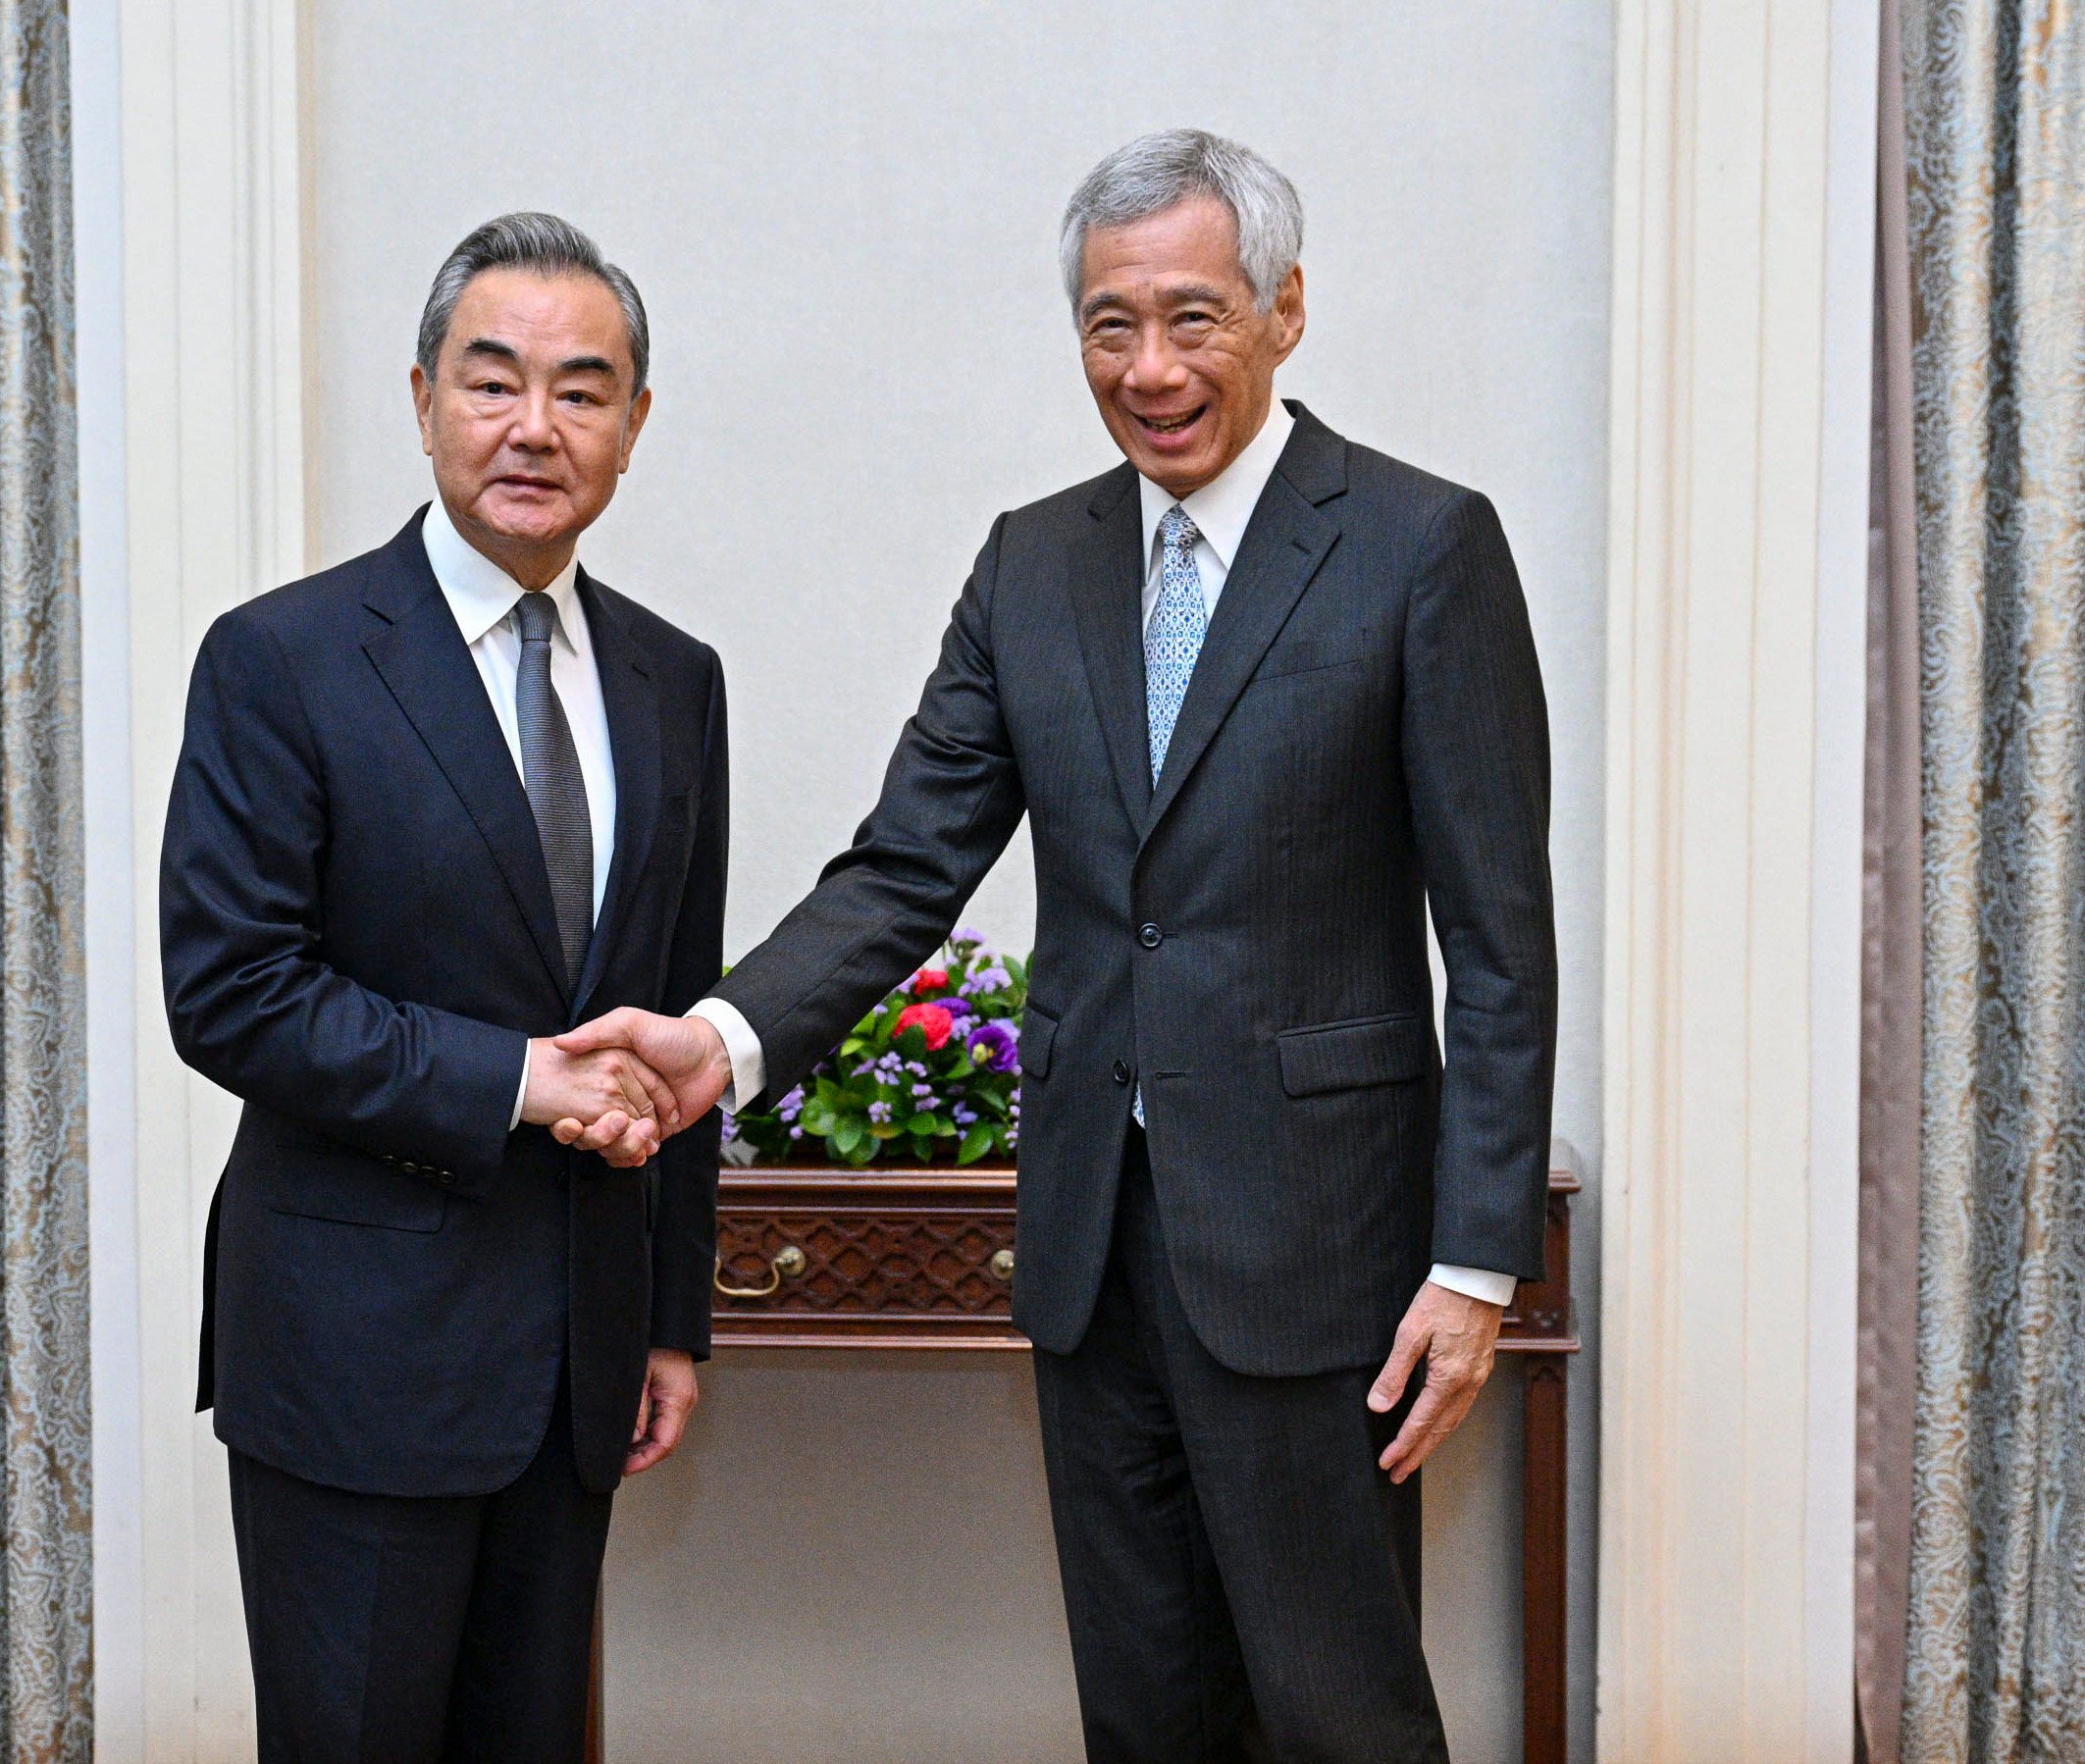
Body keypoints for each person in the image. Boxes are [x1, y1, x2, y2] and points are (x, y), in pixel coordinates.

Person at [559, 131, 1555, 1761]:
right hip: (1092, 1254)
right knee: (1145, 1710)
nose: (1147, 368)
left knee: (1339, 1711)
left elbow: (1500, 940)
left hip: (1324, 1255)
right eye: (1109, 324)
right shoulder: (1035, 562)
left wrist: (1473, 1262)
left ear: (1284, 308)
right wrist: (719, 1043)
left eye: (1190, 317)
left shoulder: (1419, 546)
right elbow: (902, 868)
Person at [160, 212, 728, 1759]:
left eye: (582, 387)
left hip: (577, 1367)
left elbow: (676, 1011)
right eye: (493, 382)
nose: (534, 426)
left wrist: (670, 1318)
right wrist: (520, 1078)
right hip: (354, 1360)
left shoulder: (676, 679)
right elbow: (232, 991)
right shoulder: (282, 659)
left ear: (633, 423)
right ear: (422, 399)